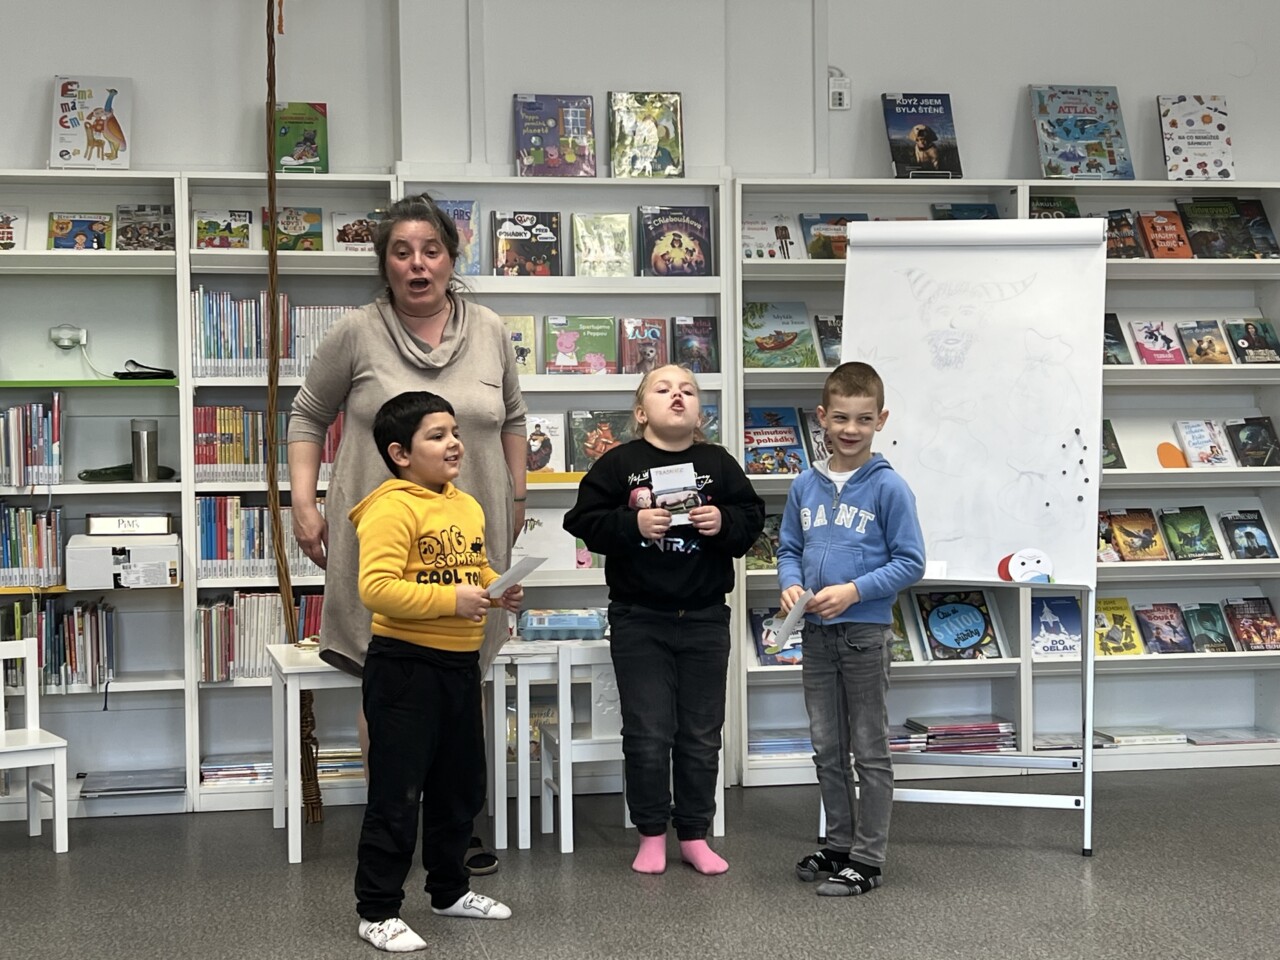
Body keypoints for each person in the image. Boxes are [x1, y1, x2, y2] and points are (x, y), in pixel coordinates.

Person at [288, 193, 526, 875]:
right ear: (384, 263)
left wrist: (516, 497)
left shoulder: (490, 330)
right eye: (402, 252)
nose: (418, 264)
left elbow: (513, 419)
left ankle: (455, 829)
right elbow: (307, 416)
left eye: (431, 251)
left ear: (452, 258)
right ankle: (394, 823)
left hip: (469, 541)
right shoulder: (356, 333)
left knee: (461, 680)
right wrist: (303, 503)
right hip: (385, 541)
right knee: (387, 682)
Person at [563, 364, 765, 875]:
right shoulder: (620, 463)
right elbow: (581, 520)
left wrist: (723, 521)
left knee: (701, 734)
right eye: (663, 388)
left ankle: (694, 835)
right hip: (640, 619)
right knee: (648, 733)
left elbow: (751, 519)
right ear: (640, 411)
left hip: (705, 618)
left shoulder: (718, 463)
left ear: (700, 414)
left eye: (688, 390)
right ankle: (651, 833)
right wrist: (631, 524)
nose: (677, 395)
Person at [351, 391, 521, 952]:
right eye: (437, 435)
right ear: (400, 453)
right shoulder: (390, 508)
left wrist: (497, 587)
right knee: (397, 795)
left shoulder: (466, 505)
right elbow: (377, 589)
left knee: (459, 788)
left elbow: (470, 567)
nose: (454, 444)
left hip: (460, 667)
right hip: (405, 668)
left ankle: (450, 891)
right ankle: (377, 911)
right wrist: (453, 601)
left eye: (455, 433)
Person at [777, 362, 925, 897]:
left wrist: (855, 591)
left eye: (864, 419)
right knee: (827, 747)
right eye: (841, 417)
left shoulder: (890, 488)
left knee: (870, 749)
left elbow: (910, 562)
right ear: (822, 417)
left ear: (880, 420)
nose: (851, 429)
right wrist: (791, 584)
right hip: (816, 635)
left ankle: (868, 859)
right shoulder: (804, 485)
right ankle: (838, 845)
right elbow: (789, 549)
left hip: (864, 635)